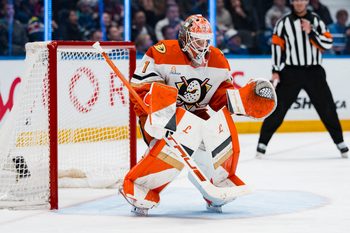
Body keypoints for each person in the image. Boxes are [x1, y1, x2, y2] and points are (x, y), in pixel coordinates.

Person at [119, 14, 276, 215]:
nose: (202, 46)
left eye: (205, 41)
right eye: (197, 40)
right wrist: (157, 109)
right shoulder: (162, 53)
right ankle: (142, 186)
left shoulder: (218, 59)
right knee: (182, 135)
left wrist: (241, 101)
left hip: (196, 118)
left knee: (219, 126)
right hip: (162, 119)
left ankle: (216, 183)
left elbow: (219, 98)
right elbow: (141, 89)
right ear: (185, 39)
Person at [256, 0, 349, 159]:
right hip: (291, 72)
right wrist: (276, 71)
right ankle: (262, 144)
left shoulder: (317, 20)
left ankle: (340, 143)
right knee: (279, 108)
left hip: (314, 72)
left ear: (306, 1)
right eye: (296, 0)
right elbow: (277, 47)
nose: (299, 2)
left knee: (327, 109)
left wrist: (311, 31)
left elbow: (328, 44)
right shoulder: (283, 23)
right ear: (292, 2)